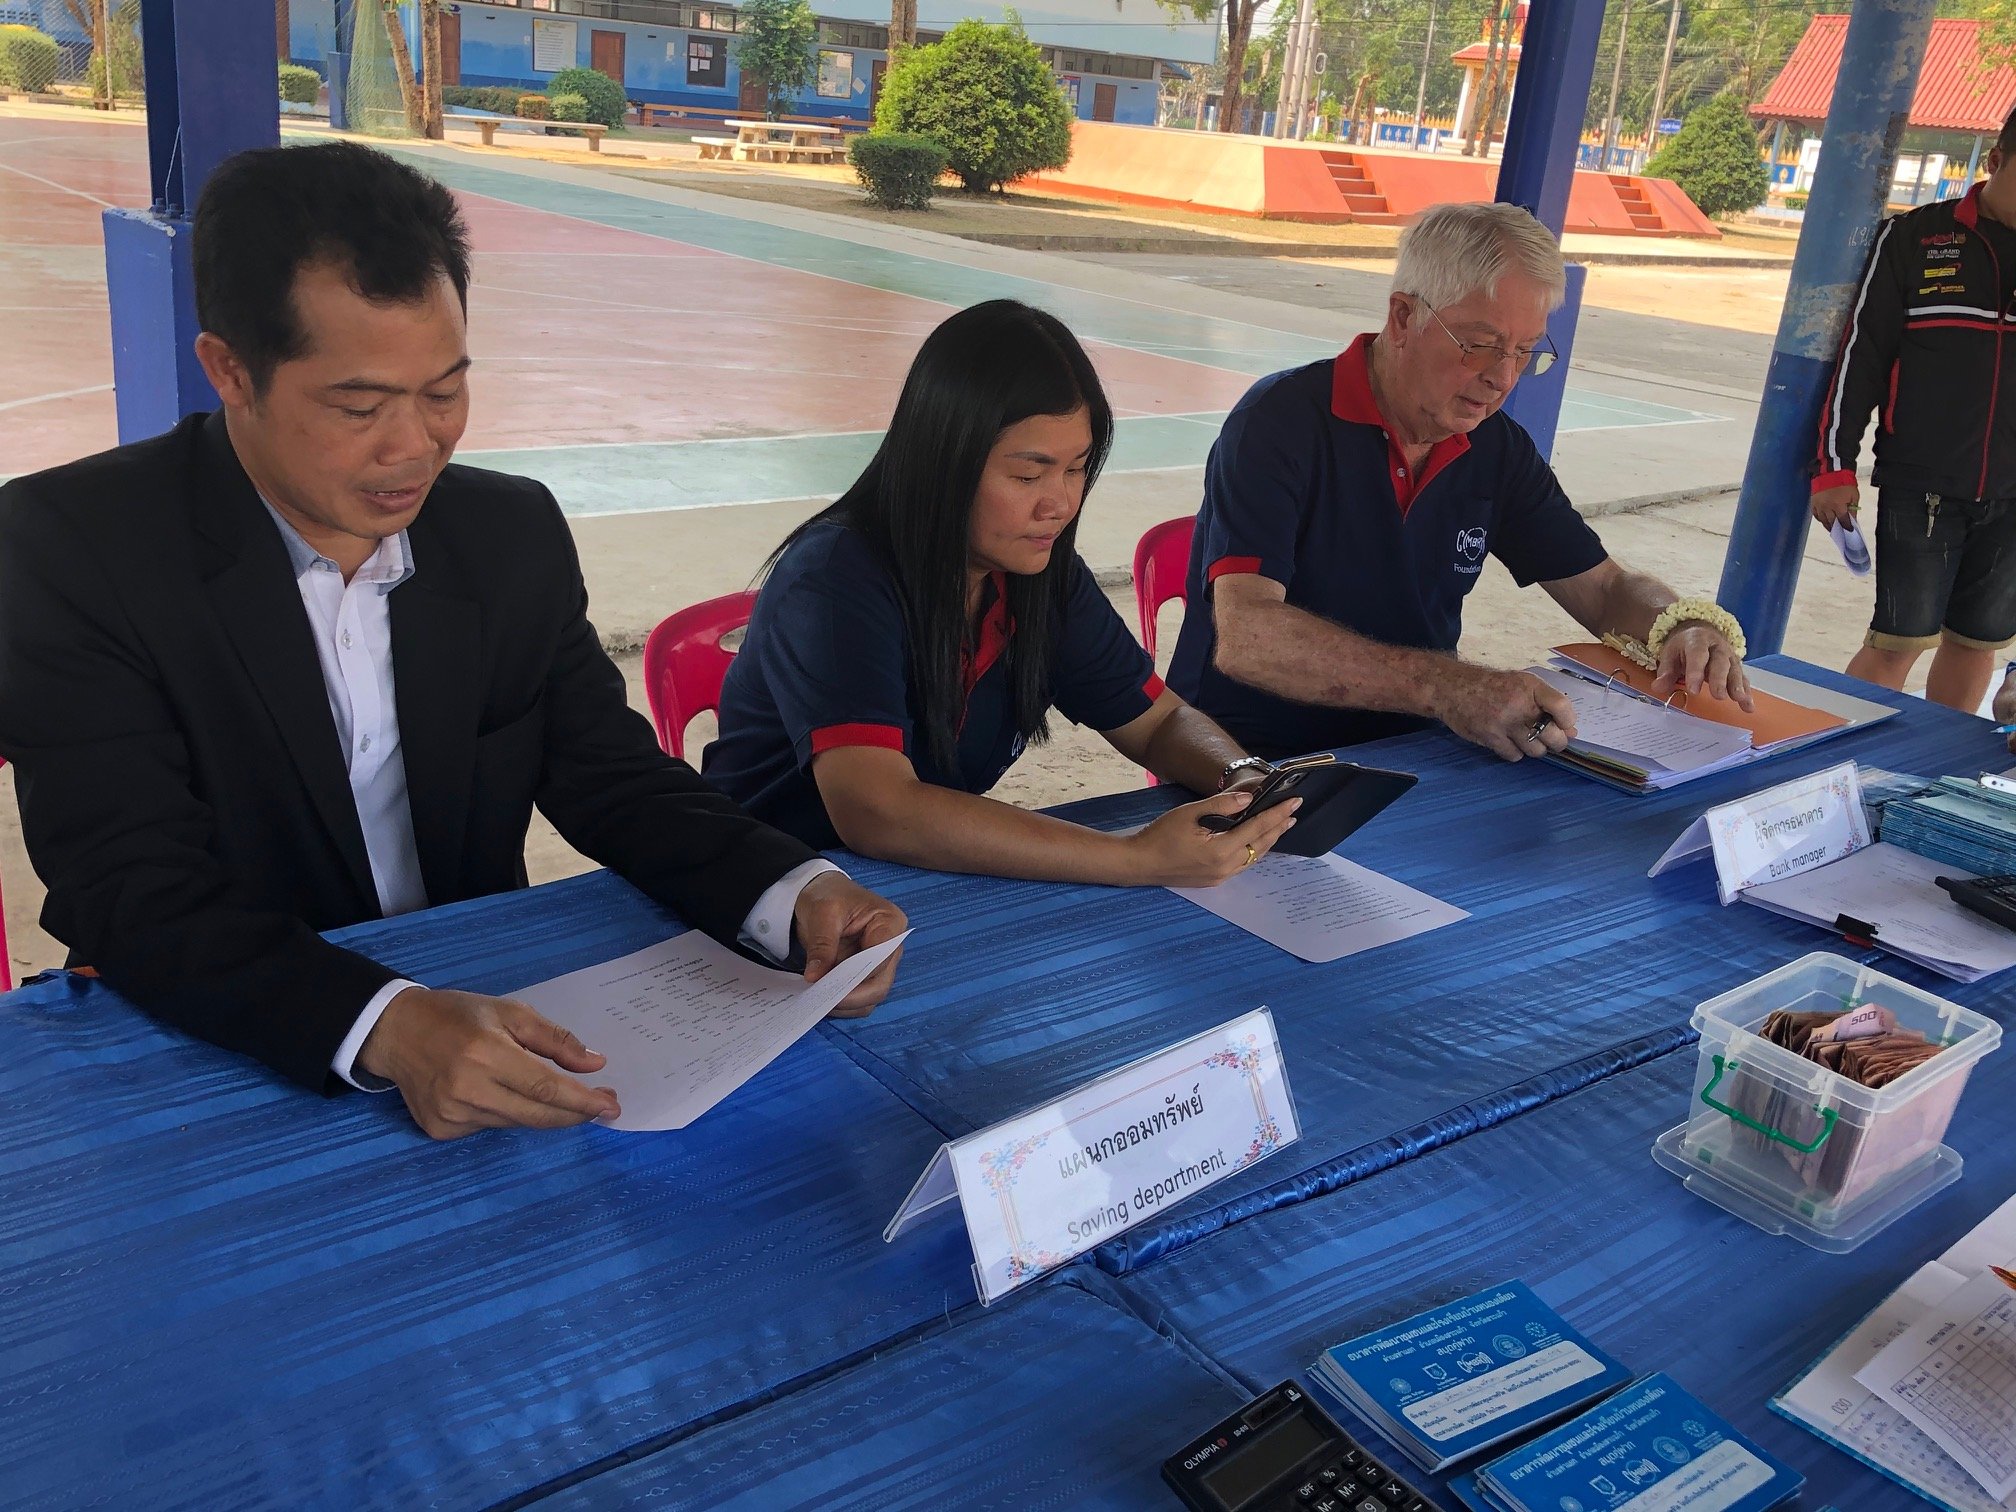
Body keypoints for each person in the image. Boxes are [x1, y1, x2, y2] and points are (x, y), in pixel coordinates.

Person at [0, 143, 906, 1141]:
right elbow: (130, 886)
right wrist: (385, 1024)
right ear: (231, 372)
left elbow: (610, 776)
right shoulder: (76, 549)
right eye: (359, 407)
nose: (413, 448)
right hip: (224, 1046)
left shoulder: (506, 535)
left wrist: (792, 890)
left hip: (485, 1008)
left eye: (443, 393)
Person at [703, 300, 1301, 886]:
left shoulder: (1039, 575)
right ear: (943, 463)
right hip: (769, 891)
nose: (1059, 504)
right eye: (1027, 475)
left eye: (1076, 469)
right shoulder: (834, 579)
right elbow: (879, 810)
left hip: (910, 881)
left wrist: (1242, 778)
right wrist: (1134, 859)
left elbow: (1159, 722)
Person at [1166, 201, 1752, 763]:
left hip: (1416, 749)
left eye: (1524, 352)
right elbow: (1250, 638)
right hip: (1249, 759)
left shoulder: (1496, 448)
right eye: (1481, 345)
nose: (1504, 378)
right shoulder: (1279, 422)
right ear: (1404, 318)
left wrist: (1681, 622)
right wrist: (1447, 687)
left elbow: (1602, 589)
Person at [1810, 107, 2016, 714]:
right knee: (1895, 643)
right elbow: (1861, 356)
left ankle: (1943, 761)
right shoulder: (1914, 238)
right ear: (1996, 162)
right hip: (1921, 487)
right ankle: (1837, 754)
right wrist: (1833, 466)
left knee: (1976, 642)